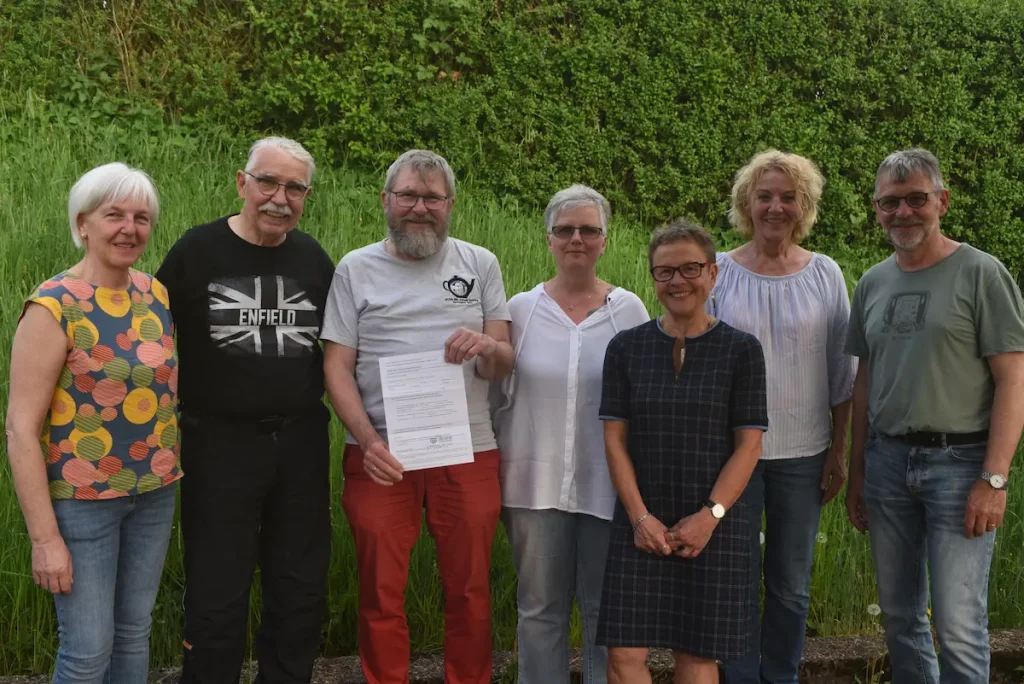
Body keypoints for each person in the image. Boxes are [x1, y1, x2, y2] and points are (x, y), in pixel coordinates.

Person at [321, 149, 513, 684]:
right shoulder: (355, 268)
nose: (419, 208)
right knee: (380, 591)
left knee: (470, 589)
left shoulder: (480, 263)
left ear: (450, 203)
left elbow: (502, 361)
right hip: (380, 455)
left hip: (468, 450)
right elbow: (336, 367)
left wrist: (486, 346)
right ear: (386, 200)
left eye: (432, 198)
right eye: (408, 196)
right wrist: (367, 440)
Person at [156, 137, 336, 684]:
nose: (280, 198)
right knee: (216, 591)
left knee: (299, 589)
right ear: (242, 183)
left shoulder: (314, 259)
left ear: (306, 197)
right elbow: (150, 339)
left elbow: (344, 349)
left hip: (301, 444)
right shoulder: (196, 252)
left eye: (294, 188)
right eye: (268, 182)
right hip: (218, 444)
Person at [845, 148, 1024, 683]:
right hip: (886, 463)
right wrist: (857, 471)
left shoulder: (982, 273)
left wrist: (994, 479)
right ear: (877, 210)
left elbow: (1013, 379)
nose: (903, 212)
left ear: (942, 201)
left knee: (958, 624)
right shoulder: (872, 283)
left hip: (961, 465)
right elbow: (864, 383)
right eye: (890, 202)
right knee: (900, 618)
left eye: (916, 199)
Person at [6, 162, 180, 684]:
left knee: (133, 634)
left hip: (154, 492)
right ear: (82, 223)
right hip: (82, 505)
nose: (130, 229)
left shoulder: (155, 294)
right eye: (114, 215)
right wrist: (45, 540)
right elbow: (20, 429)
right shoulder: (53, 306)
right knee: (86, 652)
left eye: (141, 218)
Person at [597, 219, 768, 684]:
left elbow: (749, 445)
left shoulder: (741, 351)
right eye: (665, 271)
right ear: (653, 277)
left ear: (713, 273)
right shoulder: (626, 348)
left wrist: (709, 516)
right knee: (623, 655)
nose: (678, 281)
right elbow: (614, 440)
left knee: (696, 657)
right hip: (640, 519)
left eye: (690, 268)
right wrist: (639, 518)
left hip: (713, 523)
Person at [492, 184, 650, 684]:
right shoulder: (520, 310)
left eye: (588, 229)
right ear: (548, 239)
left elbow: (645, 403)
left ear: (606, 239)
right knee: (540, 610)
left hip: (609, 488)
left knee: (606, 611)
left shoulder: (629, 311)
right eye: (564, 230)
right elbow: (497, 398)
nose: (576, 239)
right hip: (533, 488)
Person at [712, 150, 856, 684]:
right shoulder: (718, 272)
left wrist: (838, 450)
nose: (775, 207)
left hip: (804, 454)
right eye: (764, 196)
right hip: (733, 456)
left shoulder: (825, 274)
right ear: (746, 204)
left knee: (791, 584)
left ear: (805, 206)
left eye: (788, 197)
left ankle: (781, 677)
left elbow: (842, 371)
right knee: (734, 581)